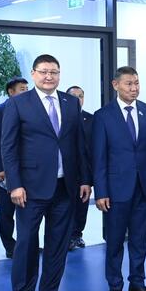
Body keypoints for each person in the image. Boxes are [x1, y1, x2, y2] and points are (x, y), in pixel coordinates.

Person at [1, 54, 91, 291]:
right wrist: (14, 185)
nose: (49, 76)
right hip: (29, 190)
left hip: (65, 187)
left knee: (58, 244)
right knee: (26, 244)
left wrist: (85, 179)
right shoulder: (18, 103)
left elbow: (80, 145)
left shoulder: (71, 103)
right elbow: (8, 147)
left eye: (54, 72)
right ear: (33, 73)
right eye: (44, 72)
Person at [92, 67, 146, 291]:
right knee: (114, 242)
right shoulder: (103, 116)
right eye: (129, 84)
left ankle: (137, 284)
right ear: (115, 85)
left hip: (144, 187)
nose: (134, 88)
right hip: (115, 190)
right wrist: (101, 191)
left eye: (136, 83)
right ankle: (115, 287)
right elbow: (99, 157)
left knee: (139, 240)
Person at [0, 76, 29, 259]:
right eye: (22, 89)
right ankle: (9, 245)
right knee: (7, 211)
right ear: (11, 92)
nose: (26, 92)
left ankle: (25, 244)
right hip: (6, 170)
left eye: (27, 89)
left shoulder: (30, 110)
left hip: (27, 169)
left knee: (26, 209)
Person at [65, 85, 94, 251]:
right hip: (65, 173)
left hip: (85, 173)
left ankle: (77, 235)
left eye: (80, 96)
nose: (77, 99)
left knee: (82, 207)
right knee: (65, 208)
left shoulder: (91, 119)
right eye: (73, 96)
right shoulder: (61, 117)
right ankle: (65, 238)